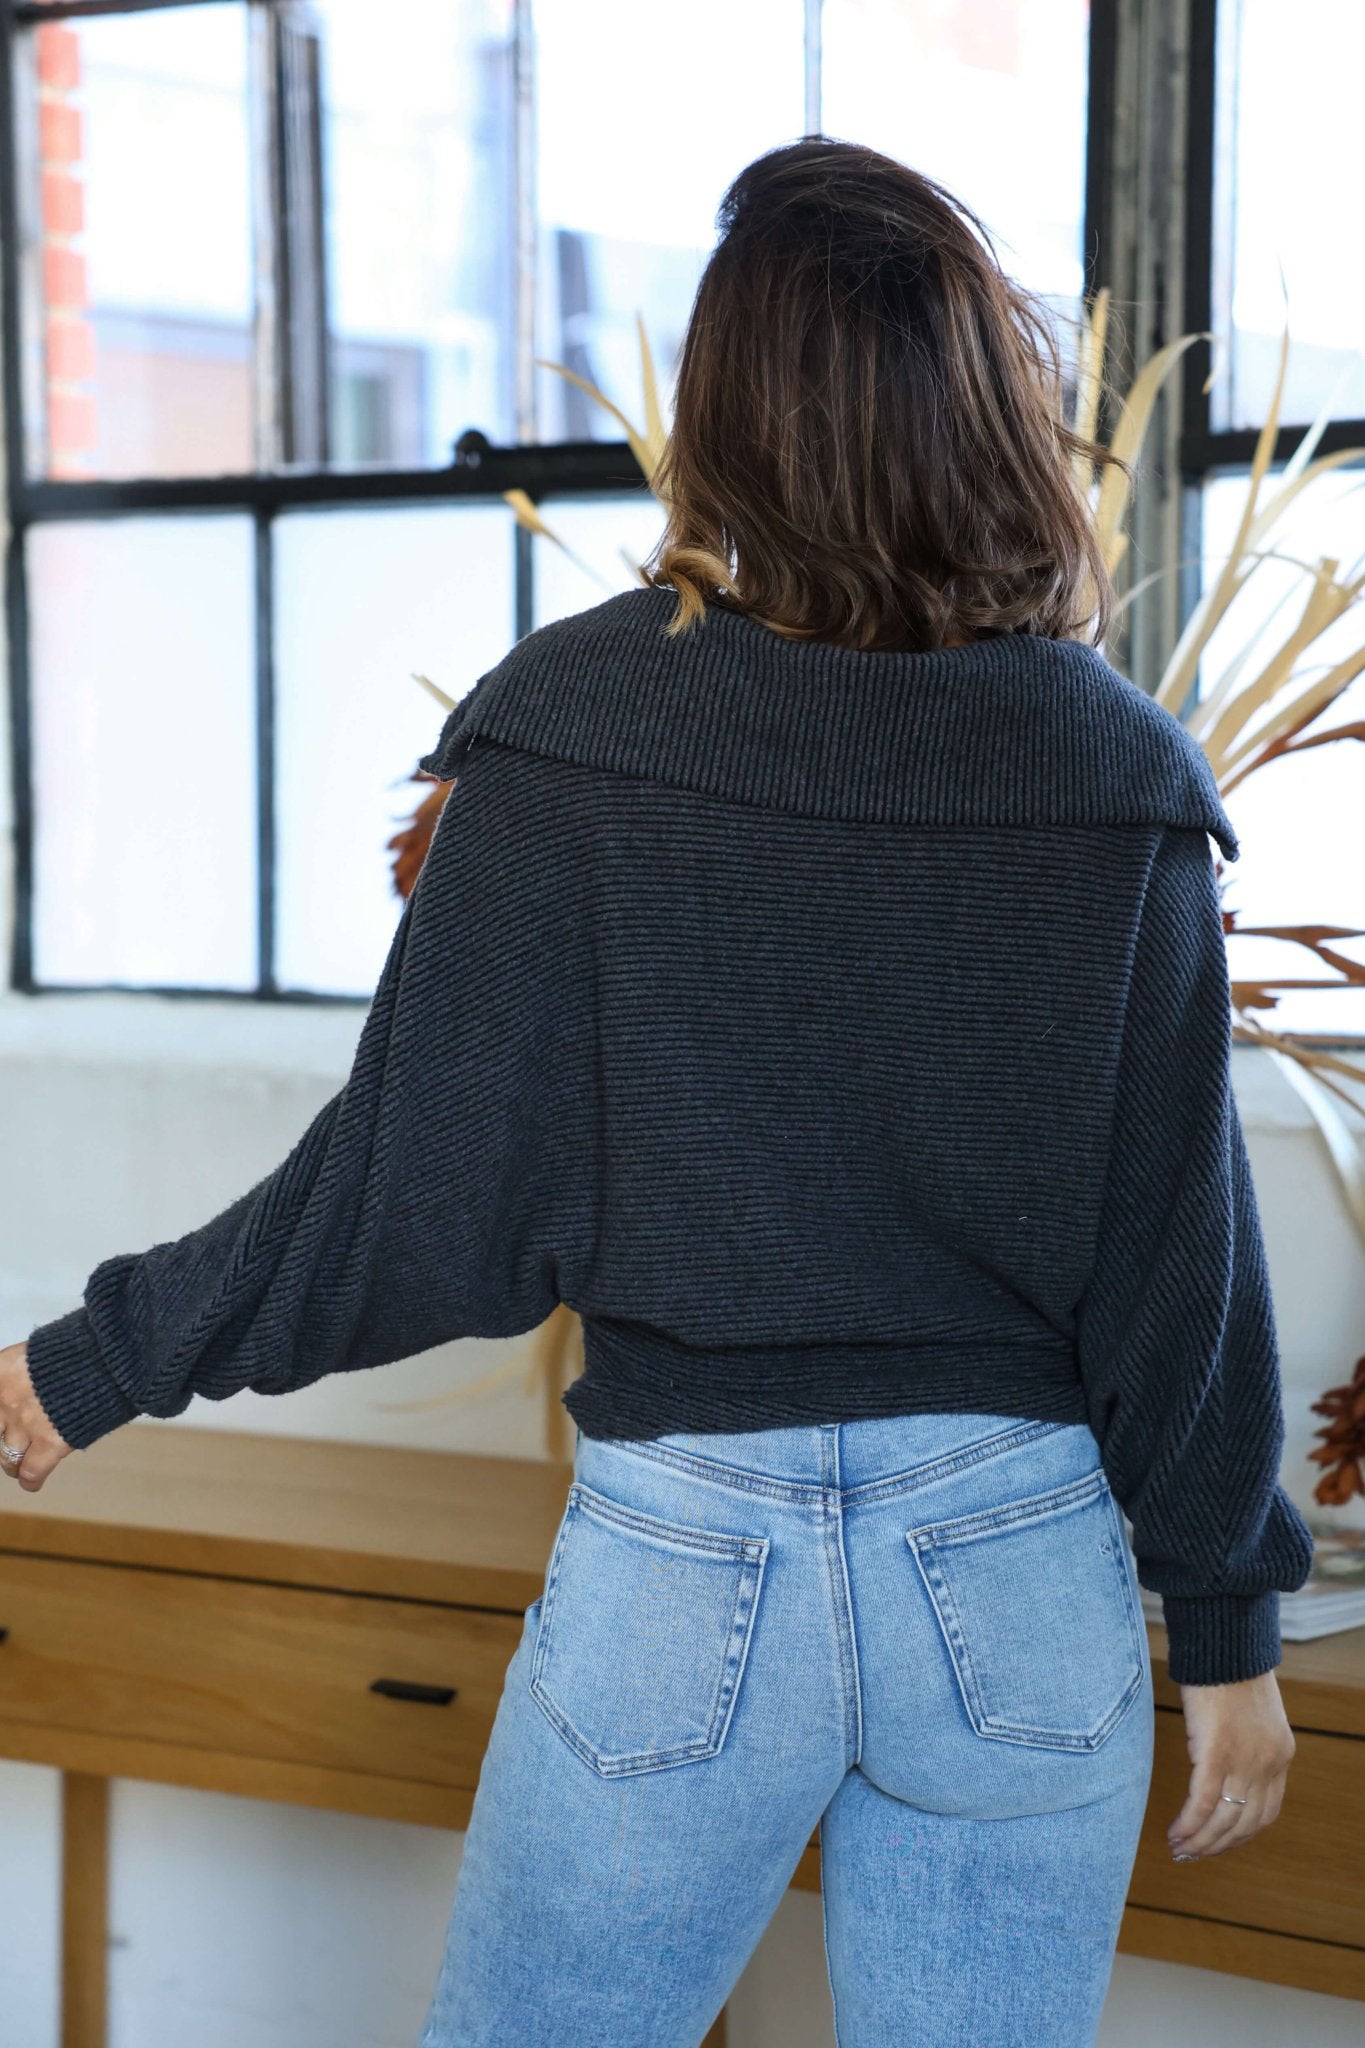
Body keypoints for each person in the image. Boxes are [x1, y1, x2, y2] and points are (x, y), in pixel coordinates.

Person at [2, 136, 1311, 2048]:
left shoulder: (571, 732)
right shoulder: (1117, 773)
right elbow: (1179, 1261)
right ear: (988, 412)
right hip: (1017, 1572)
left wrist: (97, 1361)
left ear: (725, 417)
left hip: (690, 1562)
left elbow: (407, 1190)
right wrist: (1229, 1631)